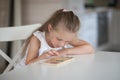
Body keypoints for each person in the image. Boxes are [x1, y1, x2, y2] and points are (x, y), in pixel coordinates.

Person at [15, 9, 94, 68]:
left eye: (67, 41)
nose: (62, 44)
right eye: (59, 39)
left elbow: (90, 49)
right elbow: (28, 64)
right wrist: (43, 57)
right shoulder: (37, 39)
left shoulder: (66, 37)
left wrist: (64, 51)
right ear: (50, 28)